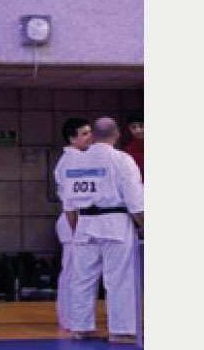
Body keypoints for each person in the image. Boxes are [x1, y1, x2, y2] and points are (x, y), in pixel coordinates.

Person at [54, 117, 144, 344]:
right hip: (115, 222)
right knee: (119, 279)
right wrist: (144, 226)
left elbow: (69, 204)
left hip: (84, 223)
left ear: (93, 135)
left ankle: (81, 327)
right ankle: (121, 330)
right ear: (117, 135)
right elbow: (135, 201)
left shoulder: (74, 161)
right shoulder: (122, 160)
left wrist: (78, 229)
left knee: (82, 279)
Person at [53, 117, 92, 334]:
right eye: (84, 133)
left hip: (79, 219)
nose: (90, 137)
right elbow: (71, 199)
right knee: (72, 273)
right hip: (72, 220)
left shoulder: (78, 158)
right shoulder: (70, 160)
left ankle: (72, 318)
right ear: (72, 138)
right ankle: (68, 319)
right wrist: (75, 226)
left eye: (90, 132)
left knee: (77, 273)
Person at [122, 113, 143, 181]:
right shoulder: (128, 150)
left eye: (141, 126)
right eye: (133, 127)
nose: (138, 130)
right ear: (129, 129)